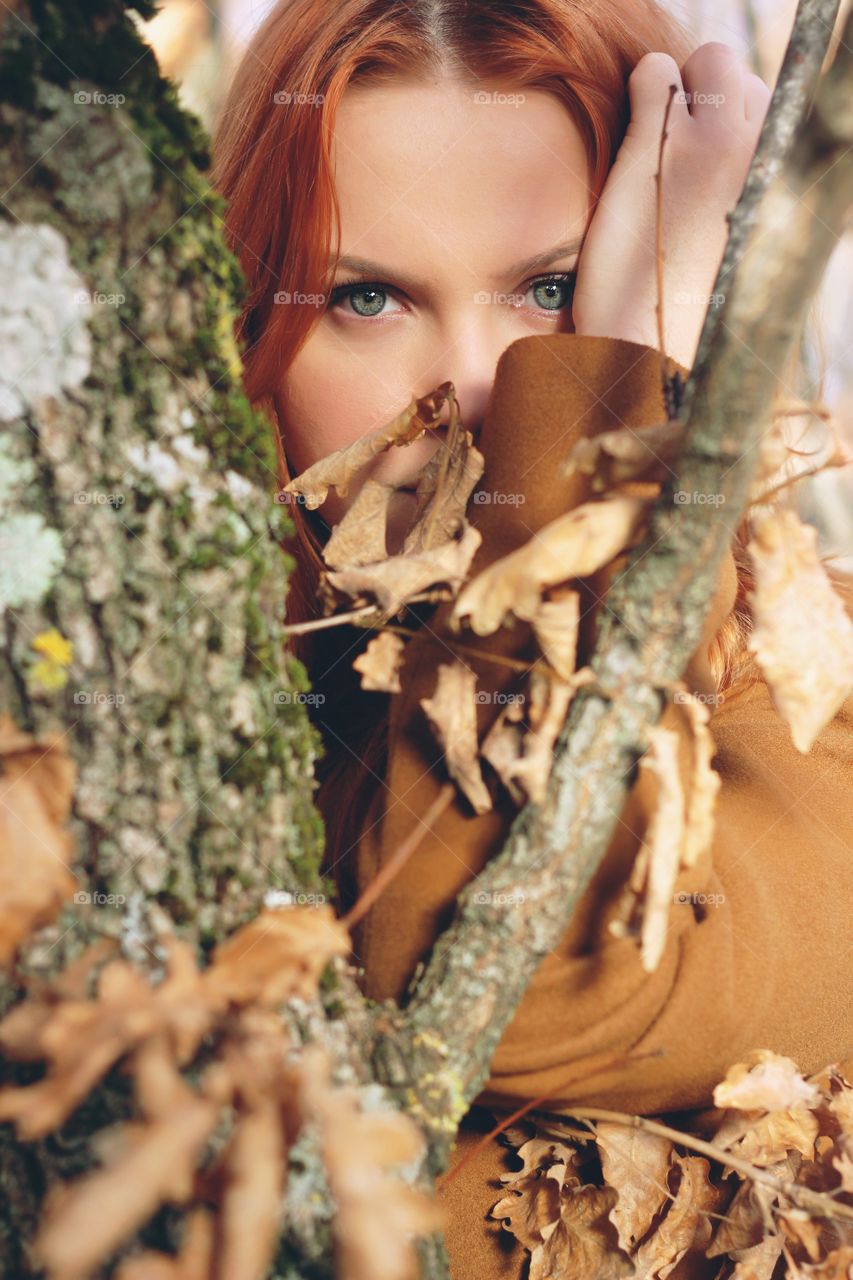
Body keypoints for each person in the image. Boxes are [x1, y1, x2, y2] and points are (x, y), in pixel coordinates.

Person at [213, 4, 853, 1275]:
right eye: (367, 294)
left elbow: (529, 981)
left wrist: (609, 398)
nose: (484, 381)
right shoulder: (152, 717)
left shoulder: (805, 687)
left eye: (554, 290)